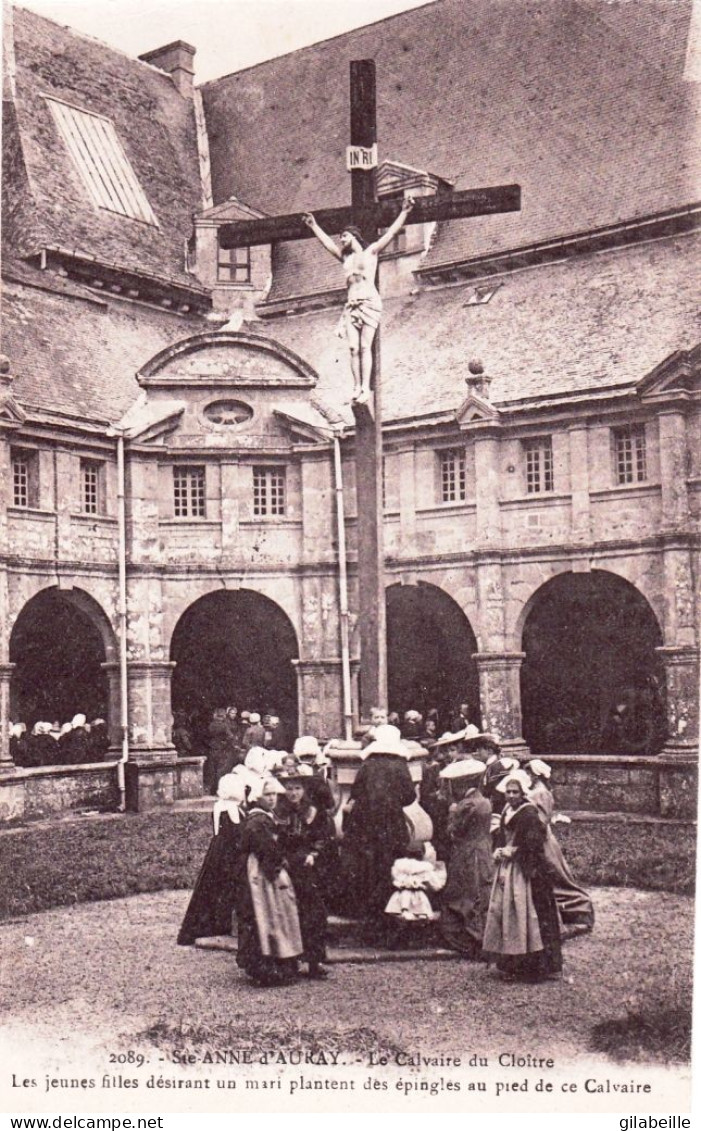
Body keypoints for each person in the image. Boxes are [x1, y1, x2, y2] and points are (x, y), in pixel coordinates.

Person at [302, 194, 414, 404]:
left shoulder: (371, 252)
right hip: (351, 307)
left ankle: (365, 388)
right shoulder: (346, 258)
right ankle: (356, 387)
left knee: (364, 347)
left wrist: (405, 212)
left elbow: (390, 234)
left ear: (353, 236)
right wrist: (314, 226)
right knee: (353, 348)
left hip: (369, 303)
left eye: (344, 236)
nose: (341, 240)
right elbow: (327, 245)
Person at [483, 770, 562, 982]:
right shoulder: (508, 809)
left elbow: (535, 842)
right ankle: (512, 963)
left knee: (527, 915)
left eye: (515, 792)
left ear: (523, 793)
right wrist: (499, 849)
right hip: (508, 868)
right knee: (509, 913)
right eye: (508, 792)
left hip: (525, 871)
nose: (510, 796)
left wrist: (516, 850)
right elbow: (501, 836)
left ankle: (534, 966)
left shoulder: (529, 813)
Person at [341, 724, 417, 917]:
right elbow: (409, 796)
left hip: (366, 825)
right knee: (391, 869)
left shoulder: (368, 764)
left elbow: (356, 791)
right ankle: (389, 916)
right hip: (392, 824)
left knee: (369, 870)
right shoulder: (400, 765)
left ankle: (370, 917)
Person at [236, 777, 303, 986]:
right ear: (258, 796)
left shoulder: (266, 817)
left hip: (266, 868)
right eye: (267, 795)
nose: (272, 798)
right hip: (261, 872)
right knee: (265, 913)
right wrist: (278, 864)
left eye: (274, 794)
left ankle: (276, 960)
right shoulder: (257, 820)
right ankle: (265, 965)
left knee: (274, 913)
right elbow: (264, 848)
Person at [278, 766, 336, 978]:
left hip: (307, 867)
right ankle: (289, 963)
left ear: (304, 790)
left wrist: (314, 853)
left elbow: (323, 837)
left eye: (297, 788)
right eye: (289, 788)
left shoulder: (312, 811)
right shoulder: (279, 812)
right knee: (286, 915)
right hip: (285, 868)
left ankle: (314, 961)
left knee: (313, 913)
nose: (293, 793)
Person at [177, 773, 247, 946]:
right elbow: (237, 833)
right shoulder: (233, 809)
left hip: (217, 851)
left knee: (211, 888)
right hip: (230, 853)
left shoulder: (219, 806)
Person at [526, 759, 594, 930]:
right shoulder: (536, 791)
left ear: (536, 775)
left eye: (529, 773)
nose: (527, 776)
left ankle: (578, 907)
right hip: (540, 836)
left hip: (542, 839)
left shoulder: (540, 792)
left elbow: (542, 818)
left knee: (555, 874)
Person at [438, 758, 494, 958]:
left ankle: (469, 939)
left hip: (467, 852)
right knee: (482, 890)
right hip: (484, 849)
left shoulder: (465, 805)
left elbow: (453, 831)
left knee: (464, 893)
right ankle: (486, 937)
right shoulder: (485, 801)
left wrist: (451, 813)